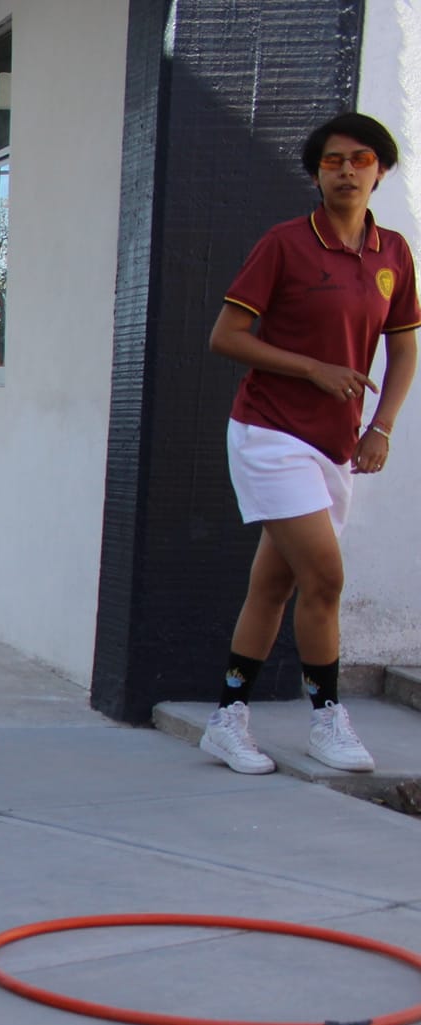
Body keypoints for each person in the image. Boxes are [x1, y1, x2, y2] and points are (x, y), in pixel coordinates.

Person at [199, 112, 418, 776]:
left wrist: (380, 426)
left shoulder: (394, 254)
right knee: (325, 577)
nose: (346, 170)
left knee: (273, 585)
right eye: (332, 161)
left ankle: (227, 718)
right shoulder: (286, 244)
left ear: (380, 169)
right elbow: (226, 336)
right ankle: (327, 716)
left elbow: (403, 344)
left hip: (336, 442)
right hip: (270, 432)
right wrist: (312, 368)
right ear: (317, 172)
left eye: (359, 159)